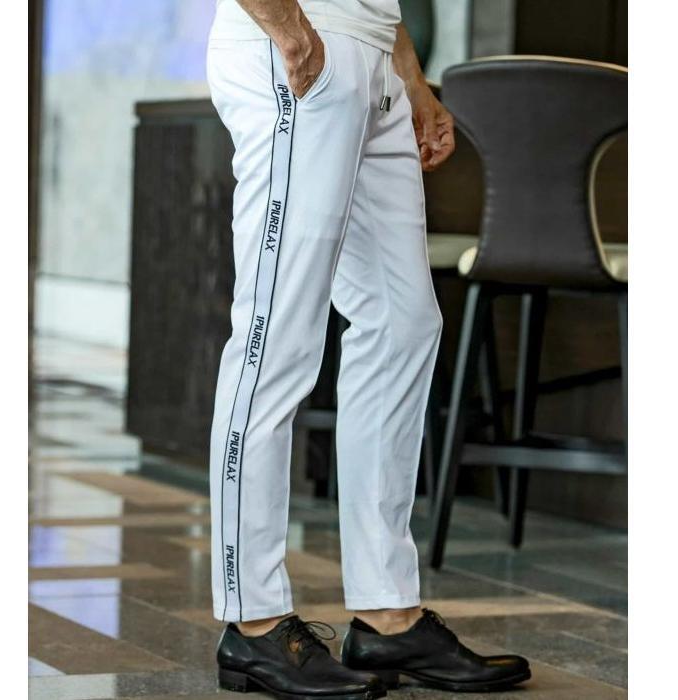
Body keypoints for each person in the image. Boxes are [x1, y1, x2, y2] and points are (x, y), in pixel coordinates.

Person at [206, 1, 531, 697]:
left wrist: (407, 74)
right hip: (299, 47)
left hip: (373, 58)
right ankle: (253, 620)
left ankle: (388, 614)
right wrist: (290, 32)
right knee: (275, 338)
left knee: (402, 322)